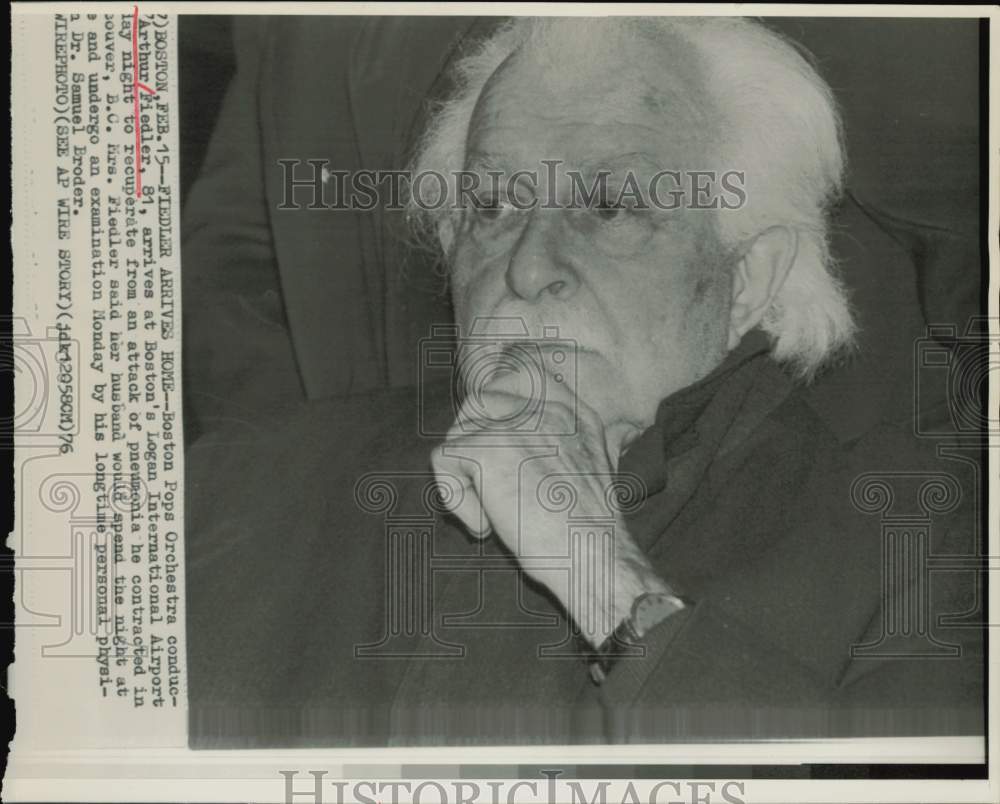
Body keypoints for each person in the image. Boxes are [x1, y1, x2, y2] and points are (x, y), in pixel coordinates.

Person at [186, 16, 984, 747]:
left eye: (610, 209)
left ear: (748, 278)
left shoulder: (916, 544)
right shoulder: (236, 486)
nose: (528, 268)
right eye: (493, 205)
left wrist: (604, 580)